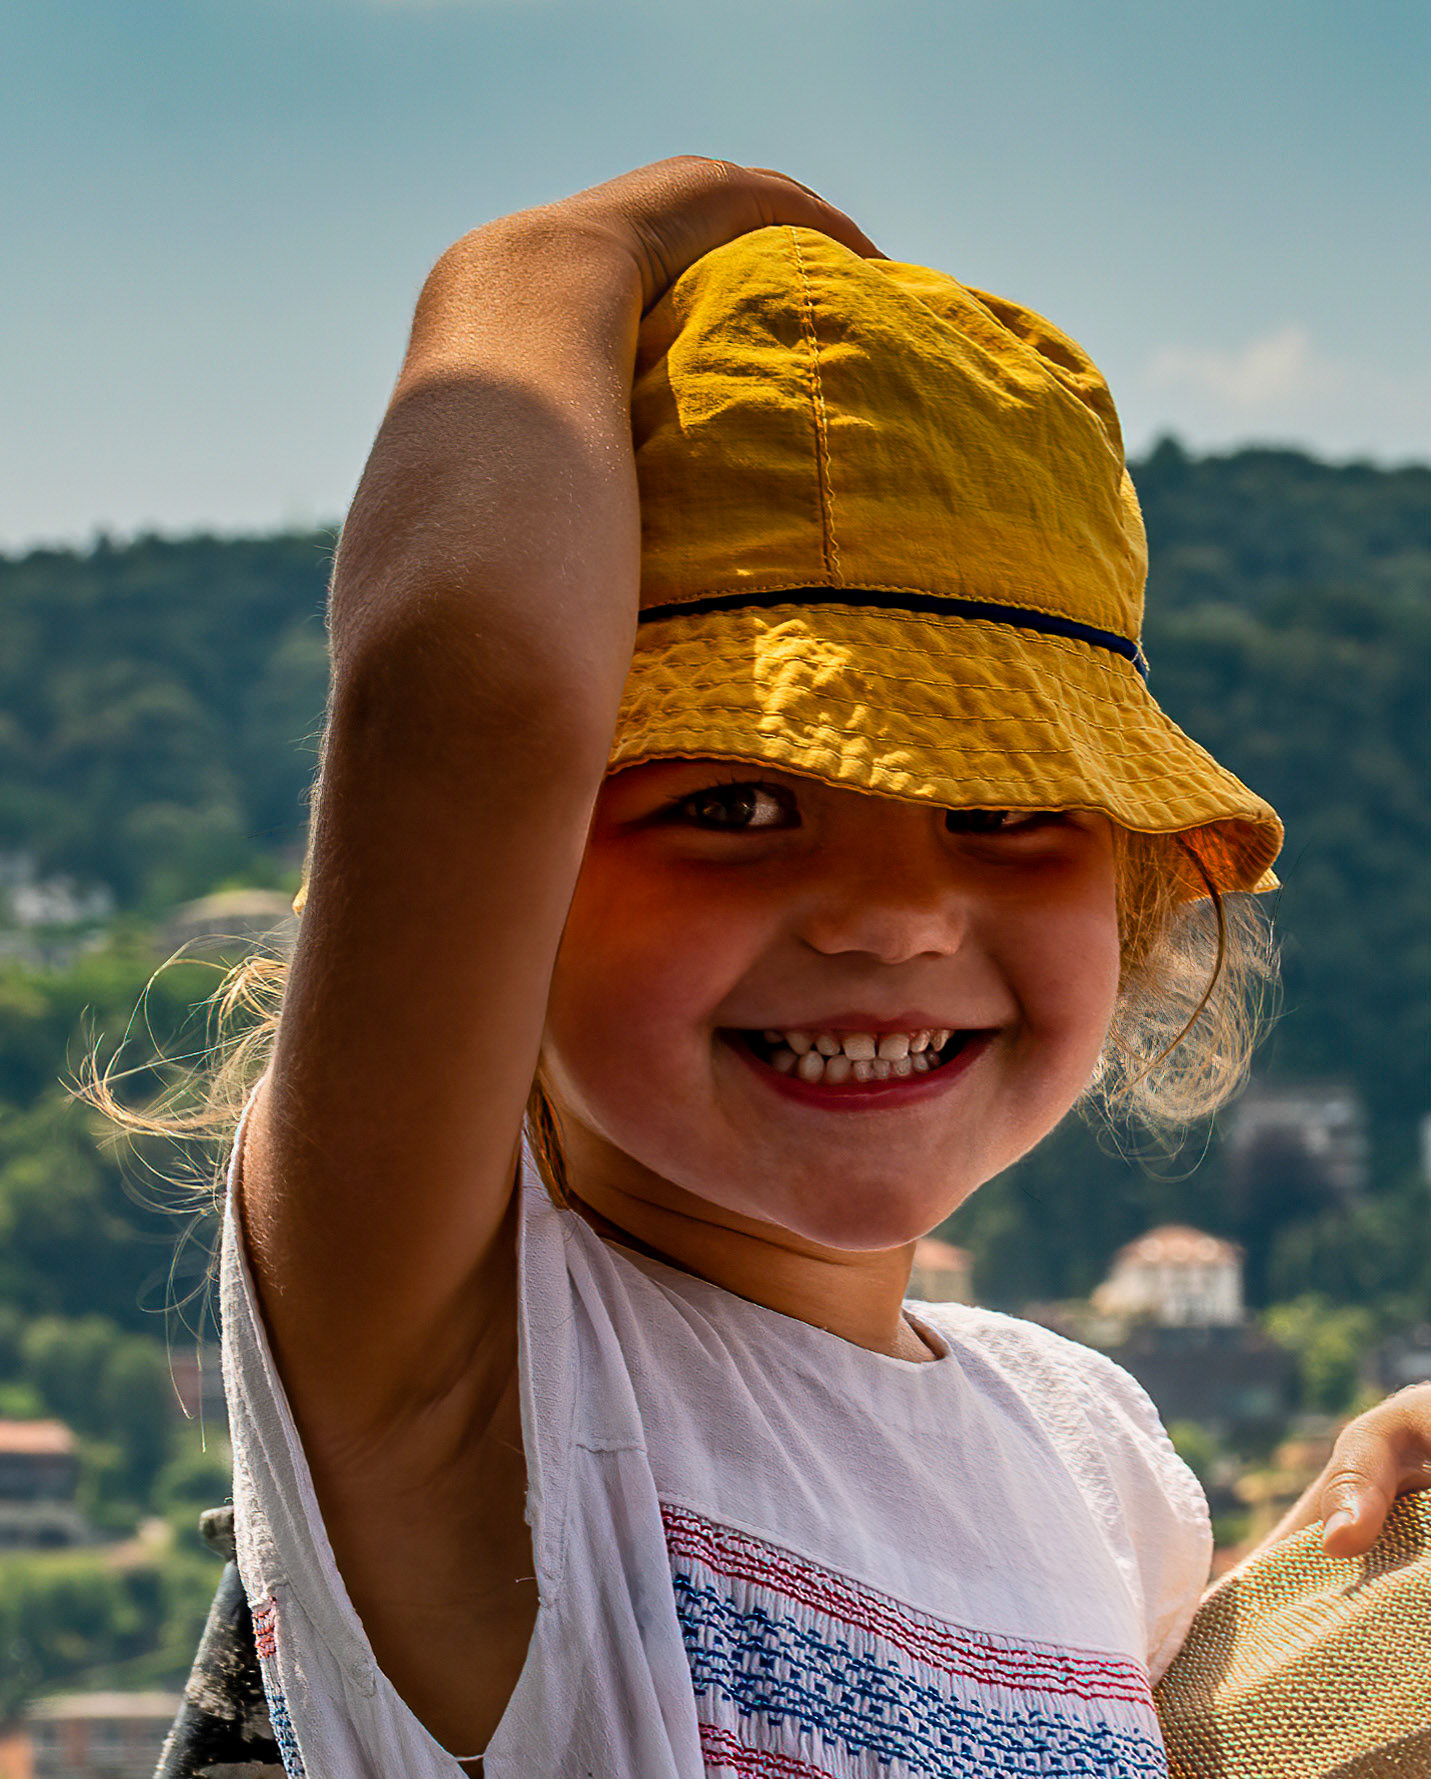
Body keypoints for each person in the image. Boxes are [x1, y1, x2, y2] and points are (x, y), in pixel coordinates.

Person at [129, 159, 1431, 1777]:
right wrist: (592, 243)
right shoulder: (477, 1380)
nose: (893, 915)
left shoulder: (1099, 1459)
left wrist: (1351, 1575)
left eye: (1004, 808)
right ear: (518, 886)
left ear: (1135, 894)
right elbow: (465, 680)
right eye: (734, 804)